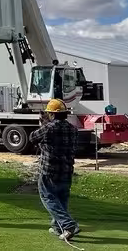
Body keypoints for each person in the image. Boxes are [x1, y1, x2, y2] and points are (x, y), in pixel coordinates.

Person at [29, 98, 80, 241]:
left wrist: (43, 123)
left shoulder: (48, 127)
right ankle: (59, 227)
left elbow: (32, 138)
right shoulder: (73, 129)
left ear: (51, 114)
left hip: (49, 171)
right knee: (61, 199)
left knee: (48, 197)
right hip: (67, 170)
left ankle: (68, 224)